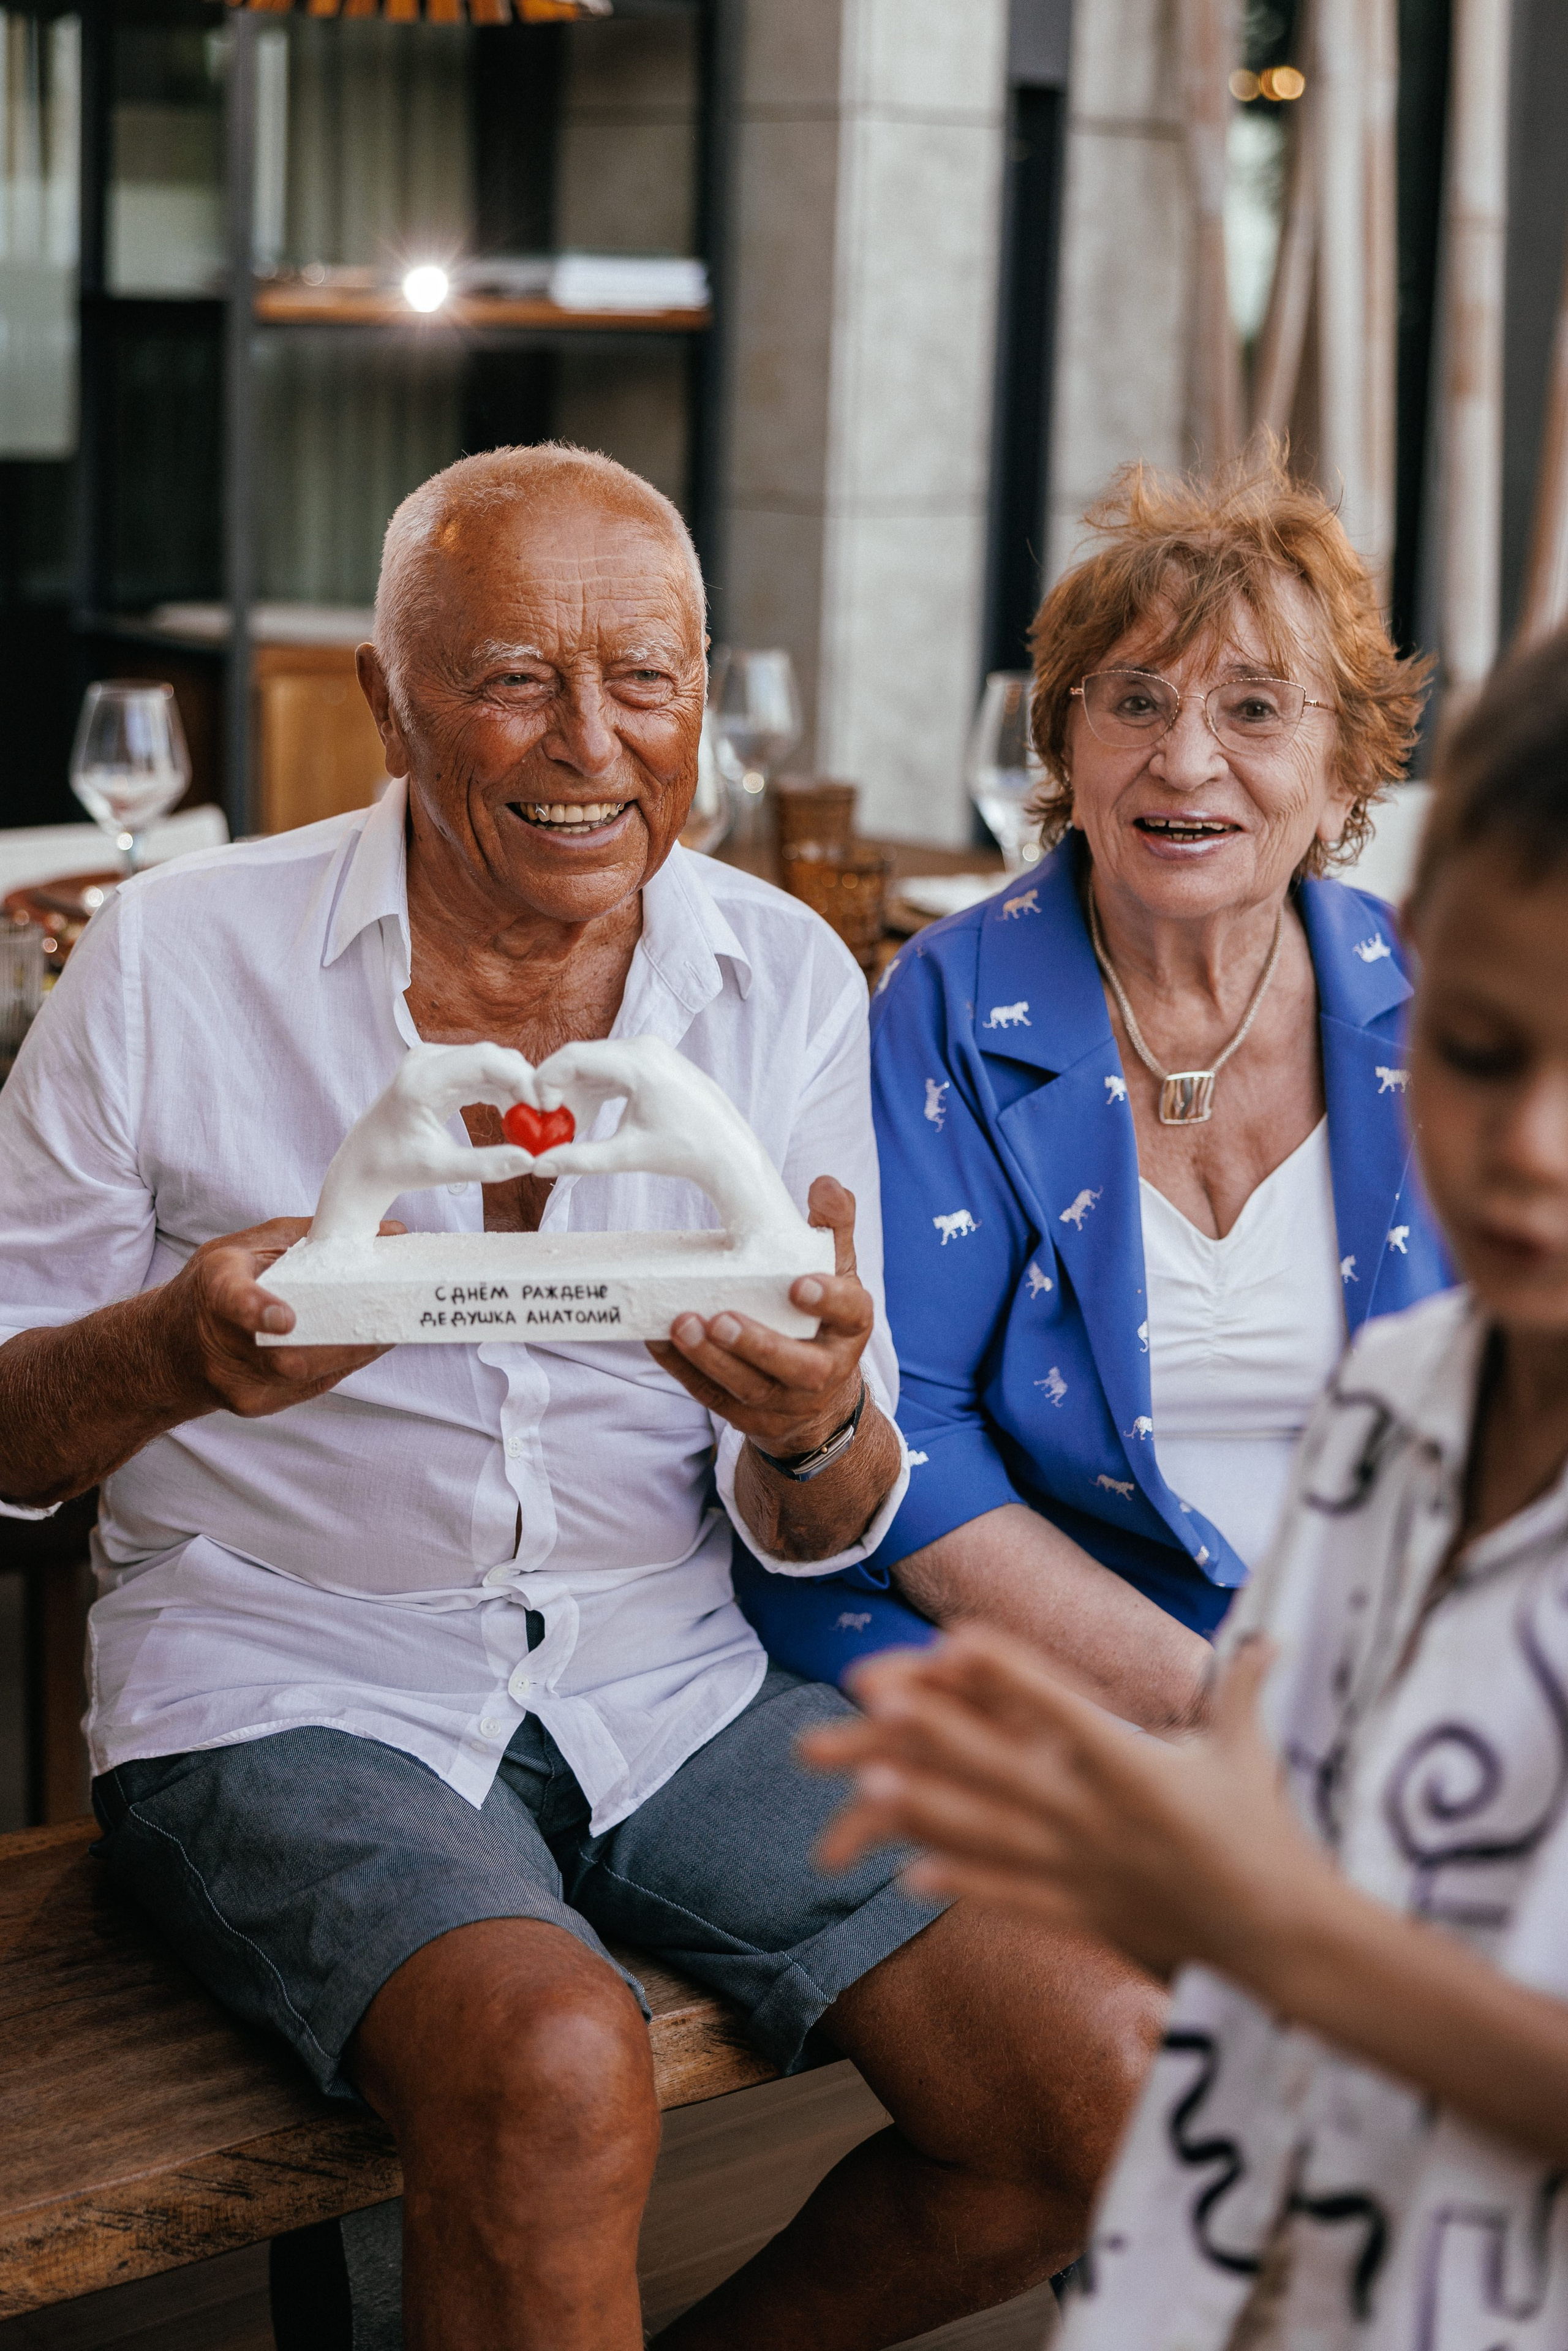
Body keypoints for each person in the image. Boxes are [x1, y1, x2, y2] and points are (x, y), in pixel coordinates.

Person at [0, 445, 1161, 2351]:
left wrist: (808, 1419)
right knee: (555, 2063)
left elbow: (816, 1500)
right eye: (514, 675)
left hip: (672, 1665)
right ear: (385, 696)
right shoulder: (170, 960)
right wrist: (172, 1353)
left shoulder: (781, 972)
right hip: (288, 1672)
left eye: (648, 676)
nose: (592, 740)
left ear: (706, 687)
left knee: (1111, 2077)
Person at [809, 621, 1568, 2350]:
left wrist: (1267, 1923)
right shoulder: (1395, 1417)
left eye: (1251, 710)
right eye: (1483, 1049)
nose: (1528, 1146)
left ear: (1340, 789)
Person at [741, 450, 1451, 1724]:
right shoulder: (950, 1004)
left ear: (1345, 766)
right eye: (1131, 701)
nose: (1182, 761)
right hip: (1056, 1647)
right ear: (1062, 741)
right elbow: (914, 1436)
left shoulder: (1445, 1001)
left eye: (1251, 708)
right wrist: (1218, 1707)